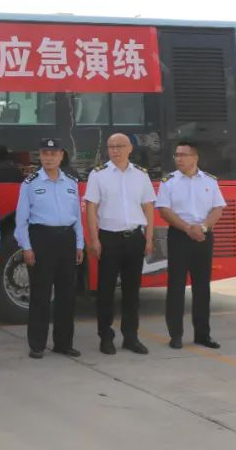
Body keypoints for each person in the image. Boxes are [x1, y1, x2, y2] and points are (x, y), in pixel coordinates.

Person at [84, 133, 156, 355]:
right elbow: (91, 208)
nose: (115, 150)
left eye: (120, 146)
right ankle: (105, 337)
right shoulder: (98, 175)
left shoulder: (141, 175)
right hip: (109, 238)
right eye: (111, 146)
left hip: (134, 238)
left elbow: (148, 207)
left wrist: (149, 238)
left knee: (132, 292)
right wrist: (94, 239)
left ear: (130, 148)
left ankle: (131, 337)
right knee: (105, 291)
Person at [14, 138, 83, 359]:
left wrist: (79, 244)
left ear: (61, 156)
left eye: (54, 154)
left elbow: (77, 218)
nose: (49, 158)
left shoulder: (71, 182)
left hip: (67, 240)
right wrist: (27, 247)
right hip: (41, 239)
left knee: (67, 295)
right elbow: (21, 220)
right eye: (45, 153)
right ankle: (37, 344)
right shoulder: (30, 183)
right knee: (40, 295)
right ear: (40, 156)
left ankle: (64, 343)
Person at [156, 140, 225, 350]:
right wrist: (188, 228)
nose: (178, 159)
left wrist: (202, 228)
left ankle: (203, 334)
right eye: (176, 155)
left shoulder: (210, 181)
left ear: (195, 157)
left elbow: (218, 208)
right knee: (176, 287)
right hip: (179, 237)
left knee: (202, 287)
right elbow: (164, 210)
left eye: (183, 155)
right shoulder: (168, 182)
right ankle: (176, 335)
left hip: (203, 237)